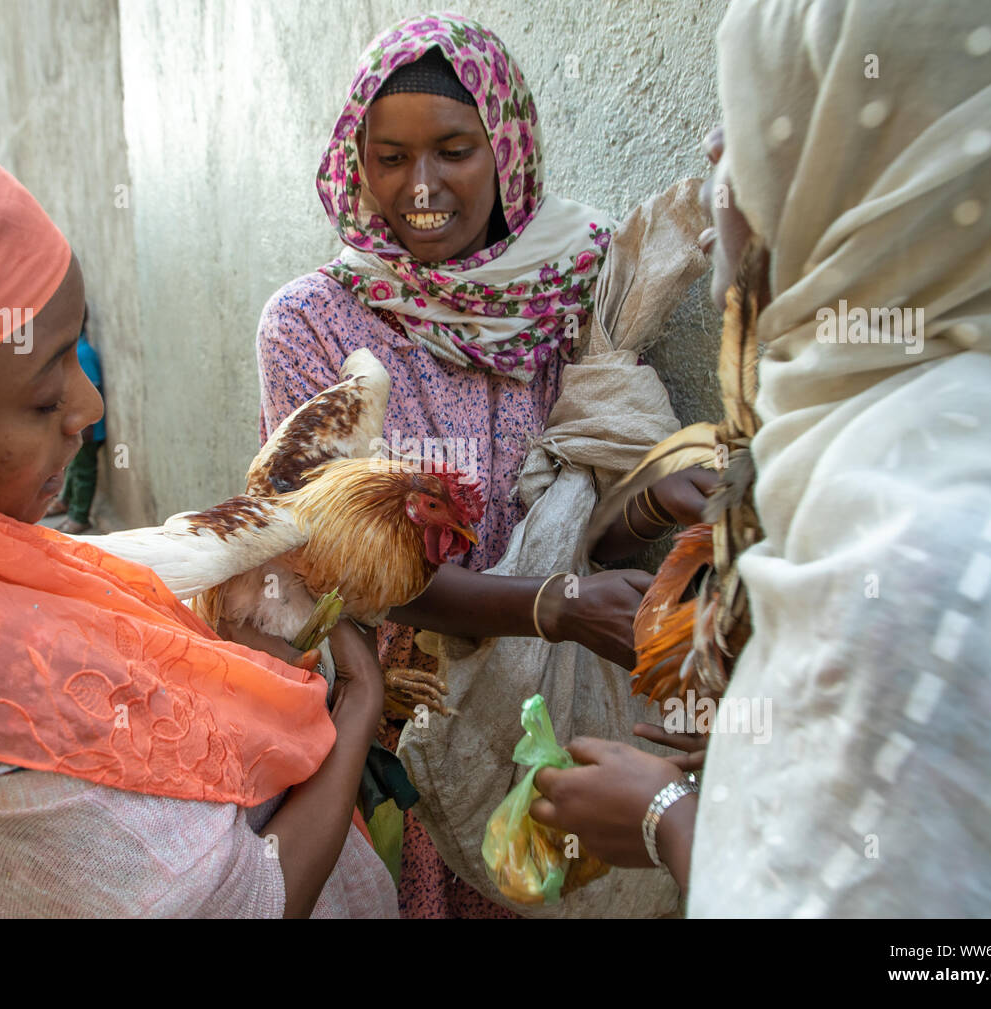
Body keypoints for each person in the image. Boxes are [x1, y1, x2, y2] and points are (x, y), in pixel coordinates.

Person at [0, 110, 396, 918]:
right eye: (42, 397)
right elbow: (250, 901)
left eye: (78, 351)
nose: (90, 404)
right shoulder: (0, 707)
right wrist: (358, 713)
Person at [531, 0, 991, 916]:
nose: (713, 150)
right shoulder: (963, 428)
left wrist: (670, 819)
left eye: (751, 123)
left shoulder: (928, 550)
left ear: (881, 172)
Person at [257, 12, 710, 917]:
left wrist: (650, 508)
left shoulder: (569, 291)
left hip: (556, 704)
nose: (420, 186)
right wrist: (553, 606)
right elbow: (351, 567)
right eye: (389, 158)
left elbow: (575, 514)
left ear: (507, 149)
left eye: (455, 149)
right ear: (357, 162)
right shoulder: (310, 325)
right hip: (401, 716)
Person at [47, 305, 106, 534]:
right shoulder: (72, 353)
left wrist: (87, 427)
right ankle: (66, 501)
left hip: (87, 430)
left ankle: (80, 516)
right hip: (77, 428)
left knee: (84, 471)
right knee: (72, 466)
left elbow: (92, 392)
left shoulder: (83, 354)